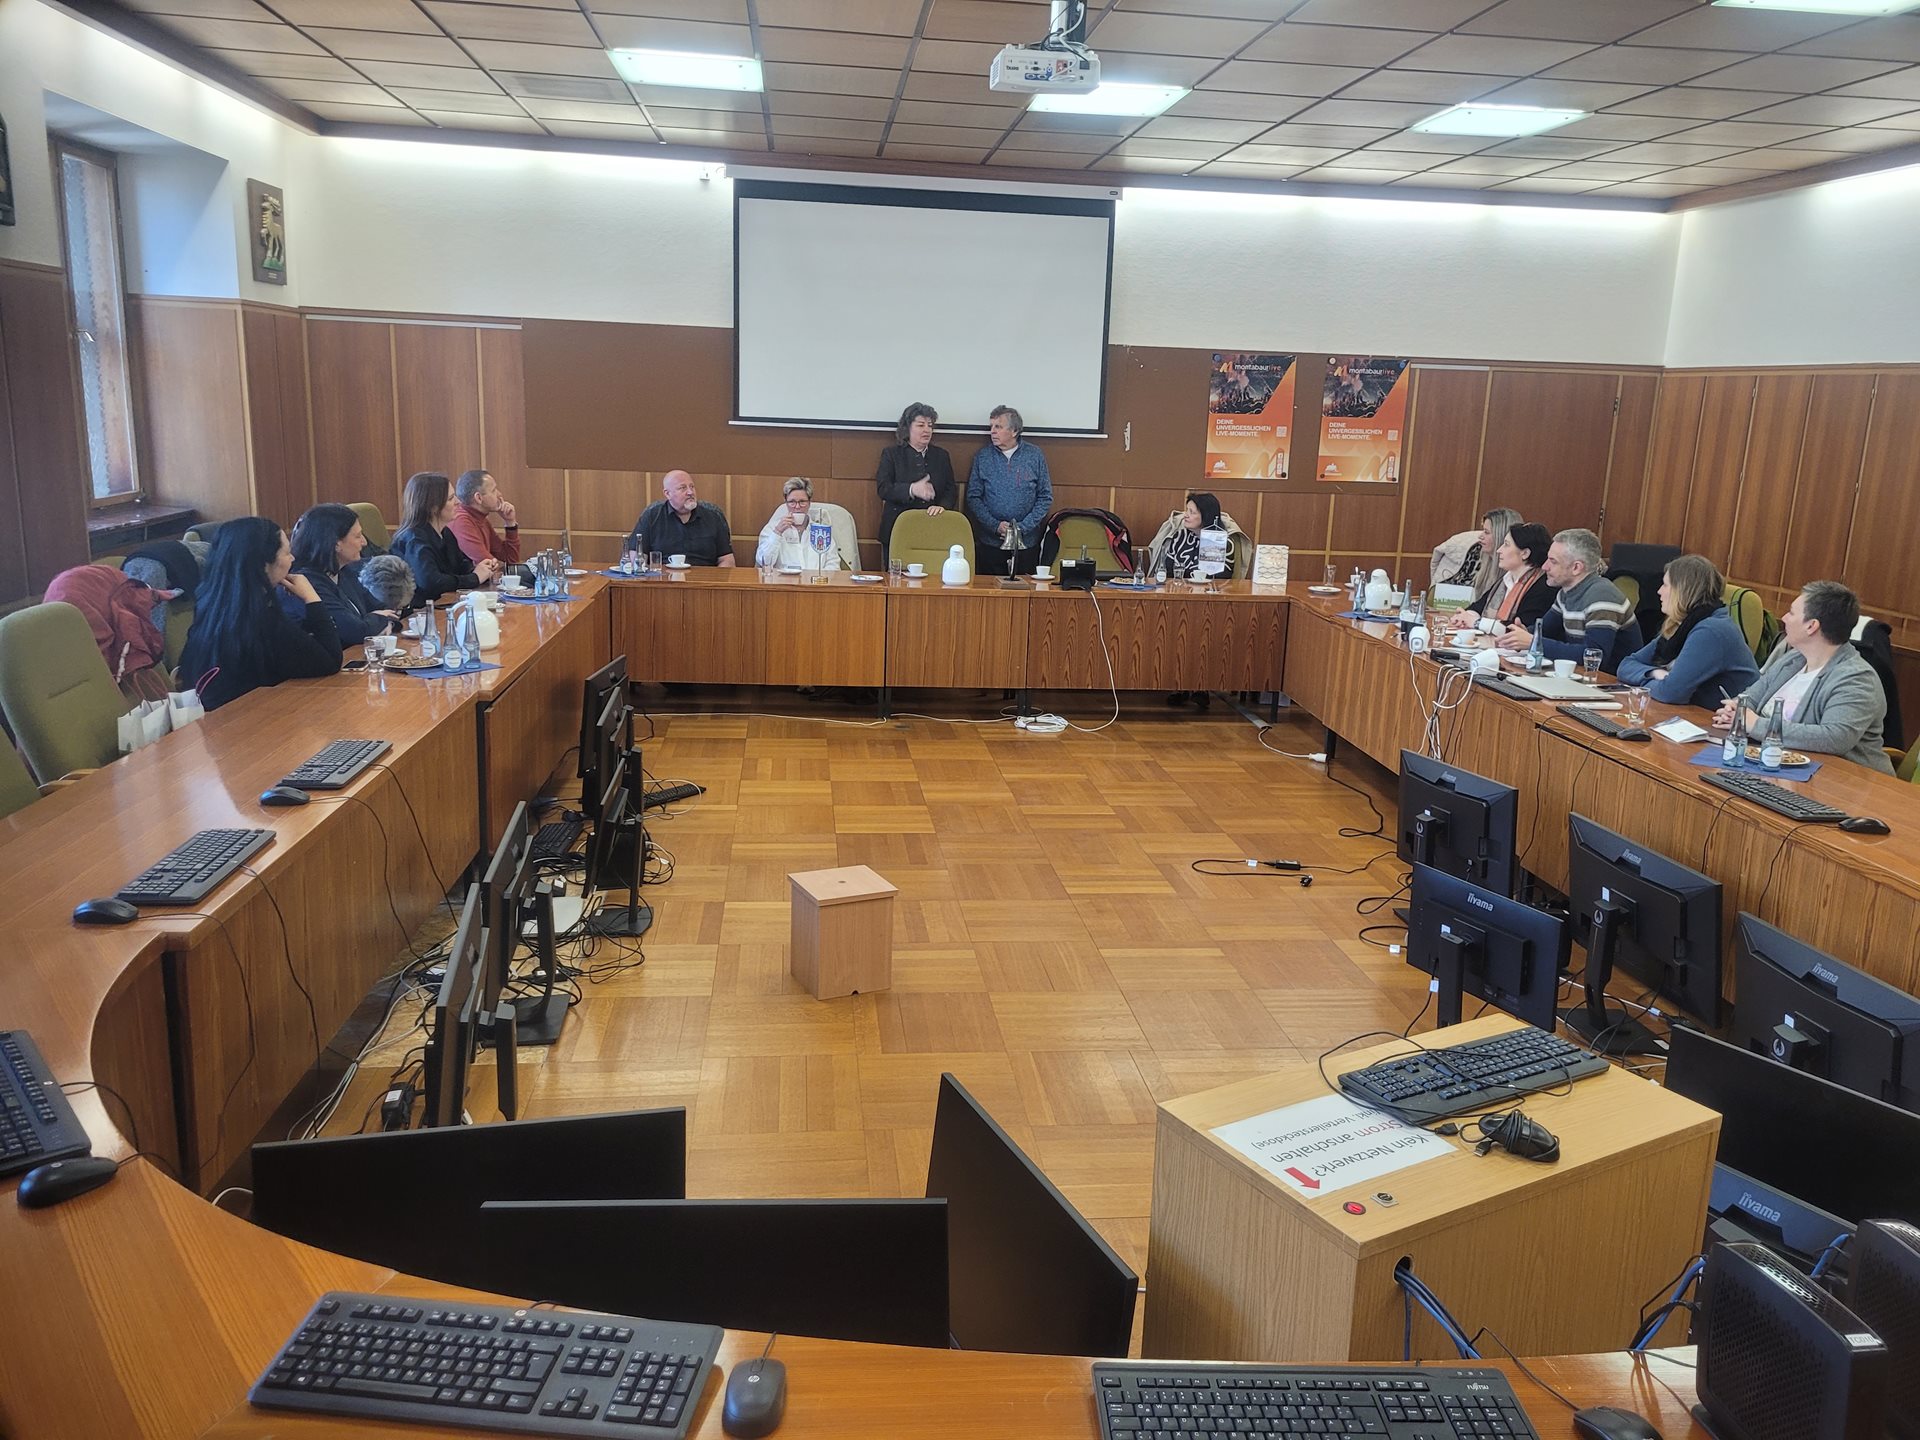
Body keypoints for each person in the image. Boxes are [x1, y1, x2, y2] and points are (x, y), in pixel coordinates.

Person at [1713, 580, 1893, 773]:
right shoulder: (1794, 659)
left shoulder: (1857, 679)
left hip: (1845, 779)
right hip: (1773, 765)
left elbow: (1835, 738)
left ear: (1811, 626)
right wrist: (1735, 711)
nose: (1784, 618)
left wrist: (1755, 724)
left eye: (1791, 613)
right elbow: (1751, 698)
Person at [176, 516, 342, 711]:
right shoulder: (261, 617)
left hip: (212, 717)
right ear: (264, 564)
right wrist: (311, 598)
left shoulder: (211, 604)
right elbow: (330, 661)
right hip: (250, 718)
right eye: (287, 553)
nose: (293, 558)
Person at [1616, 555, 1758, 709]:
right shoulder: (1682, 624)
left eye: (1665, 585)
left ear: (1683, 591)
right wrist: (1654, 673)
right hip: (1697, 712)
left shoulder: (1710, 631)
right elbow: (1625, 666)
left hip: (1724, 718)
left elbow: (1670, 692)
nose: (1659, 591)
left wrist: (1647, 683)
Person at [1497, 527, 1641, 668]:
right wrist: (1524, 633)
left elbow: (1595, 656)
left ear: (1576, 568)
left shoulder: (1602, 597)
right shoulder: (1565, 593)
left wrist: (1532, 641)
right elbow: (1544, 631)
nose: (1545, 566)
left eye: (1553, 561)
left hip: (1612, 680)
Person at [285, 503, 401, 645]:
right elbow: (354, 631)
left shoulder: (346, 570)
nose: (364, 542)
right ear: (336, 544)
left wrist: (378, 620)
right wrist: (376, 621)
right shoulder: (307, 581)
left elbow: (383, 608)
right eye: (358, 536)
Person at [966, 405, 1051, 576]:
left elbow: (1045, 497)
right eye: (991, 426)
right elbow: (973, 497)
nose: (992, 431)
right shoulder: (983, 457)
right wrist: (995, 525)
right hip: (991, 544)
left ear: (1014, 431)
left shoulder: (1034, 455)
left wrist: (1021, 528)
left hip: (1026, 544)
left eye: (998, 426)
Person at [392, 471, 501, 601]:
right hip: (420, 609)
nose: (458, 502)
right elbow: (431, 583)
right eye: (450, 499)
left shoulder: (445, 532)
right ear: (433, 507)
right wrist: (475, 578)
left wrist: (482, 568)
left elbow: (459, 566)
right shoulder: (414, 539)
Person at [875, 402, 957, 552]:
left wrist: (942, 506)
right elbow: (883, 488)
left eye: (930, 425)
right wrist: (912, 489)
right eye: (920, 425)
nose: (927, 430)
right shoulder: (891, 454)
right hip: (897, 529)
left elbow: (950, 489)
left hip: (932, 529)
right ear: (908, 428)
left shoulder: (941, 455)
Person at [1456, 521, 1553, 634]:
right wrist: (1464, 617)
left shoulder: (1543, 585)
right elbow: (1478, 607)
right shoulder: (1506, 579)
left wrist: (1476, 622)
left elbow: (1521, 628)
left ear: (1525, 553)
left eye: (1506, 545)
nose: (1499, 550)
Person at [626, 470, 735, 567]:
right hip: (663, 579)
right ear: (667, 494)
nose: (690, 492)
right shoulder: (651, 516)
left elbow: (727, 560)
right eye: (683, 488)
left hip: (704, 580)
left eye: (692, 487)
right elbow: (636, 556)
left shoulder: (713, 516)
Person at [756, 477, 856, 571]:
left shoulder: (821, 531)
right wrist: (777, 533)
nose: (797, 507)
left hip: (815, 582)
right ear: (786, 503)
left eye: (802, 502)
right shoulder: (772, 528)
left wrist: (817, 579)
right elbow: (763, 561)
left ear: (809, 502)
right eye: (792, 502)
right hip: (783, 582)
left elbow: (833, 564)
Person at [1146, 493, 1243, 580]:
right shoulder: (1179, 537)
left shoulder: (1223, 542)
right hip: (1180, 589)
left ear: (1206, 516)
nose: (1185, 515)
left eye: (1192, 512)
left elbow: (1223, 579)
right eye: (1187, 510)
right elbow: (1168, 572)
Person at [1432, 506, 1520, 592]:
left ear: (1501, 537)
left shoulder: (1515, 574)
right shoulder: (1477, 554)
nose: (1480, 536)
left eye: (1486, 532)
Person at [447, 469, 521, 569]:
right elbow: (489, 566)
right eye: (493, 490)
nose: (499, 494)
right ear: (478, 498)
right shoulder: (461, 522)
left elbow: (510, 560)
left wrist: (510, 523)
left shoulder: (481, 519)